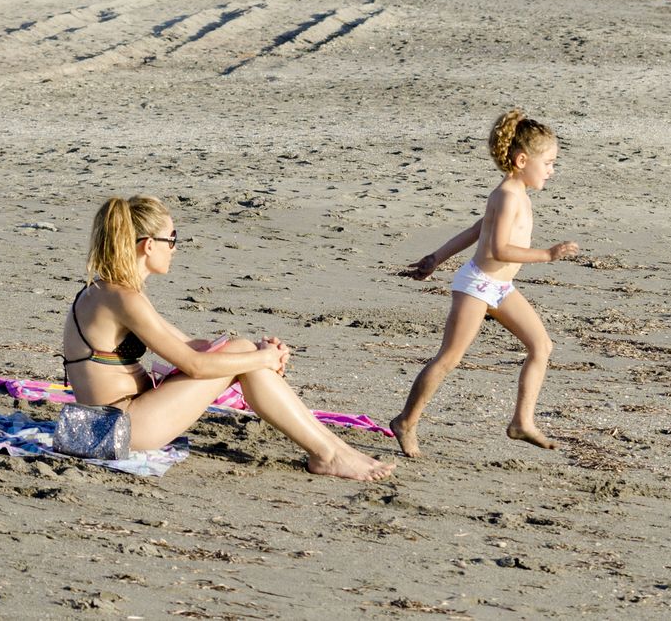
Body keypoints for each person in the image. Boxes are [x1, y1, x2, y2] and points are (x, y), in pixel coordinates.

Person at [63, 195, 394, 480]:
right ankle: (329, 454)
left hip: (117, 422)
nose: (175, 248)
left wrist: (259, 353)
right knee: (242, 354)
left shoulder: (114, 291)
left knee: (240, 351)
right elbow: (194, 364)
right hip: (121, 428)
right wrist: (262, 359)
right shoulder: (122, 298)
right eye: (172, 238)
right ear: (149, 245)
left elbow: (190, 345)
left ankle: (333, 449)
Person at [391, 110, 580, 458]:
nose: (552, 170)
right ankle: (405, 420)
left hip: (499, 288)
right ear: (522, 160)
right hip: (478, 284)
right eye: (549, 162)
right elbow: (497, 248)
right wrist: (547, 255)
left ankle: (522, 422)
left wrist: (438, 256)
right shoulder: (508, 195)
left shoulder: (514, 193)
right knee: (448, 358)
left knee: (541, 347)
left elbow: (479, 229)